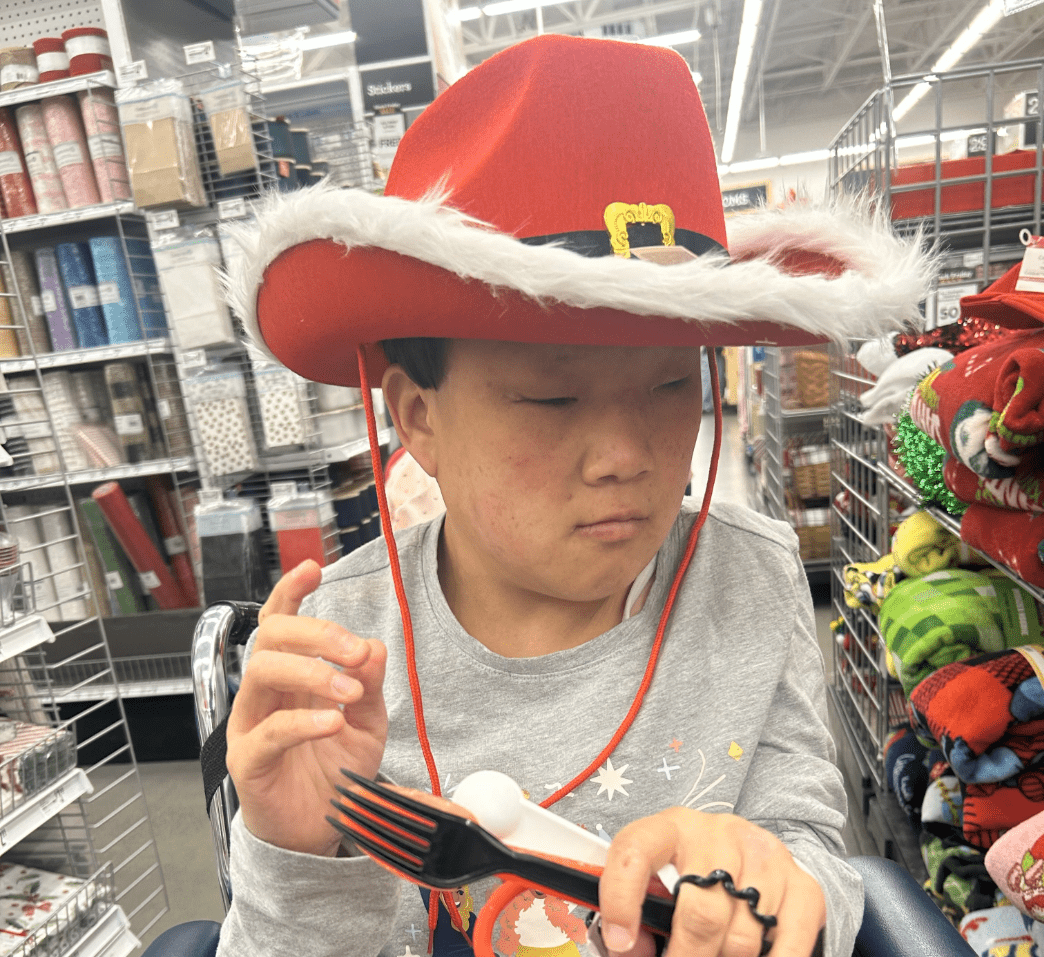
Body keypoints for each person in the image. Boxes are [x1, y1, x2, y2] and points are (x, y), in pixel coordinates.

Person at [218, 34, 930, 957]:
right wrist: (297, 854)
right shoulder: (337, 659)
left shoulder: (746, 577)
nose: (627, 456)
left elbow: (810, 849)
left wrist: (776, 885)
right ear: (418, 417)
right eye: (552, 400)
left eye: (671, 385)